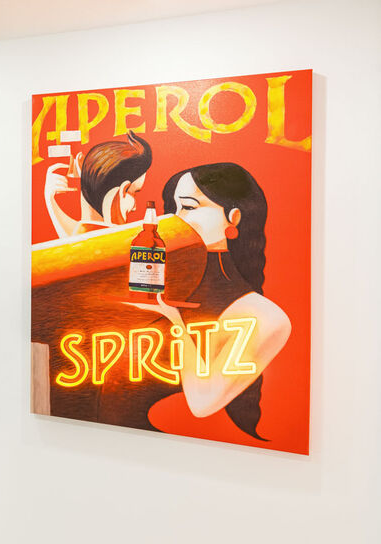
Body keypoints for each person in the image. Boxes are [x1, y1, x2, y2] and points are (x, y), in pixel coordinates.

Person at [123, 162, 291, 437]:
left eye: (189, 207)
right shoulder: (158, 280)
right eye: (174, 208)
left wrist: (175, 322)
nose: (175, 219)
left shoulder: (267, 319)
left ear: (233, 217)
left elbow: (202, 404)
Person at [43, 132, 152, 238]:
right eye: (134, 192)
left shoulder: (78, 236)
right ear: (122, 191)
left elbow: (73, 237)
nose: (134, 208)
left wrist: (50, 201)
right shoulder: (115, 239)